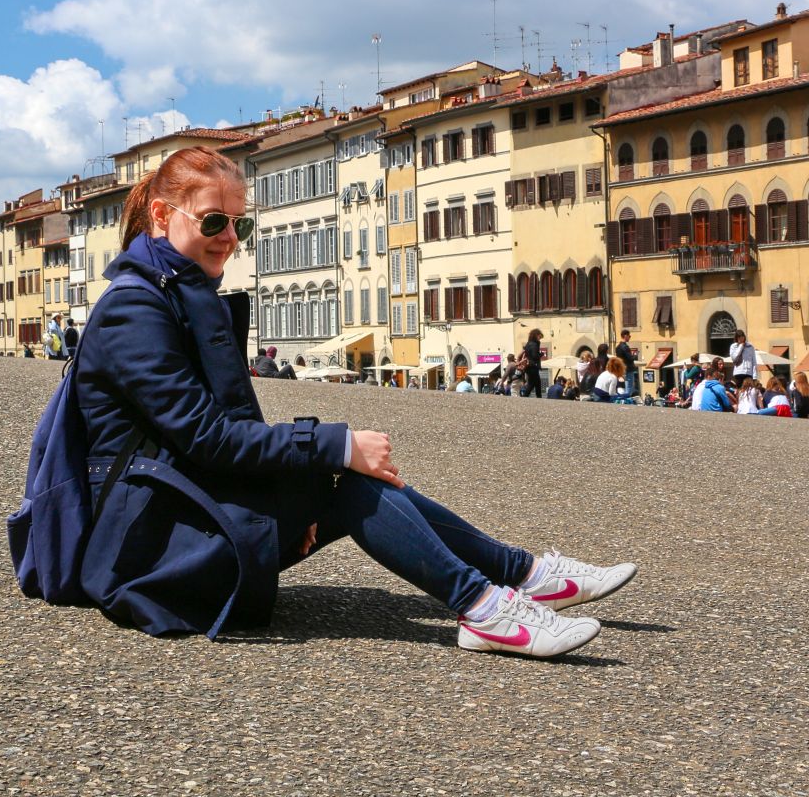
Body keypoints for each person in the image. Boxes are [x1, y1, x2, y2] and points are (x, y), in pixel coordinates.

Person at [70, 146, 636, 658]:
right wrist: (332, 447)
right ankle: (486, 607)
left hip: (183, 518)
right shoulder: (136, 309)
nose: (230, 238)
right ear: (164, 216)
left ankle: (521, 575)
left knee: (345, 476)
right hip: (149, 554)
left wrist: (287, 494)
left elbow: (212, 434)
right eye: (215, 221)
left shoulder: (178, 290)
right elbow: (205, 437)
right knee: (350, 473)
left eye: (240, 223)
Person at [614, 331, 638, 399]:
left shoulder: (618, 347)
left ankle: (623, 398)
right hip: (629, 368)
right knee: (629, 386)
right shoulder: (625, 347)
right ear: (625, 336)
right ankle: (627, 399)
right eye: (629, 336)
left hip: (621, 368)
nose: (630, 337)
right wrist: (635, 355)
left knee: (623, 385)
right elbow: (630, 358)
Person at [522, 329, 543, 399]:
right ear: (536, 335)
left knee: (537, 383)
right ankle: (525, 397)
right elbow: (534, 356)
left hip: (529, 366)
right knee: (532, 384)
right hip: (532, 366)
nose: (540, 339)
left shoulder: (529, 343)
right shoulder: (534, 344)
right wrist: (541, 354)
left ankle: (539, 397)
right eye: (540, 337)